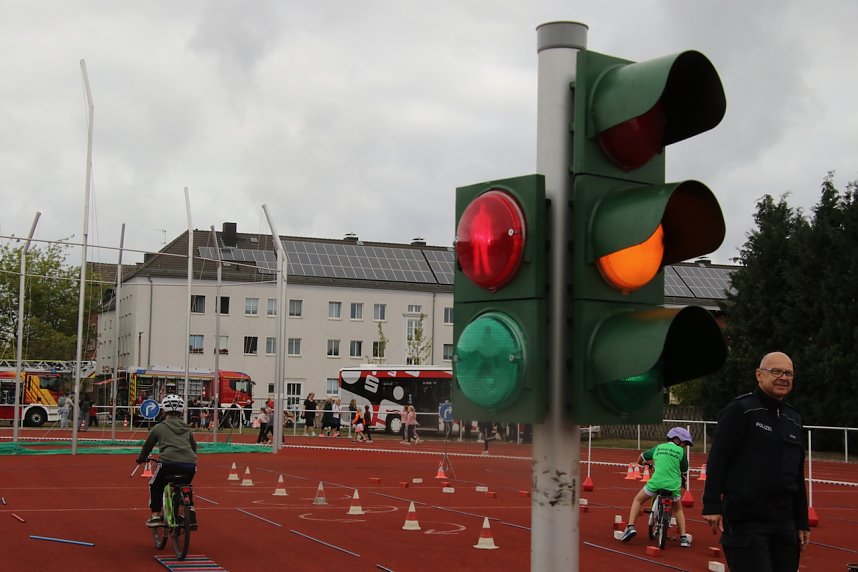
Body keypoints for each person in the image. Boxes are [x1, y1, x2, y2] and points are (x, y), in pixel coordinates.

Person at [702, 351, 810, 571]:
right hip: (746, 521)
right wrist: (711, 503)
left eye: (789, 373)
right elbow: (718, 457)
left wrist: (802, 522)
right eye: (776, 371)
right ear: (759, 375)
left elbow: (797, 474)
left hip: (784, 523)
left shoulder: (794, 419)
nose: (783, 377)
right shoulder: (741, 410)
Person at [619, 427, 693, 548]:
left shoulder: (658, 448)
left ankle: (631, 527)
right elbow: (684, 471)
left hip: (656, 483)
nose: (684, 446)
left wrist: (647, 464)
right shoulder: (681, 452)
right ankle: (683, 538)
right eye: (684, 443)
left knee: (638, 500)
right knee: (678, 510)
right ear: (677, 439)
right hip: (673, 486)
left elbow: (640, 459)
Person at [136, 394, 197, 528]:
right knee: (185, 484)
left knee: (155, 485)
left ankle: (155, 515)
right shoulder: (187, 429)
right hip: (189, 465)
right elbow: (194, 447)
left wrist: (141, 459)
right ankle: (189, 507)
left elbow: (148, 446)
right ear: (181, 411)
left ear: (163, 411)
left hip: (168, 463)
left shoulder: (159, 428)